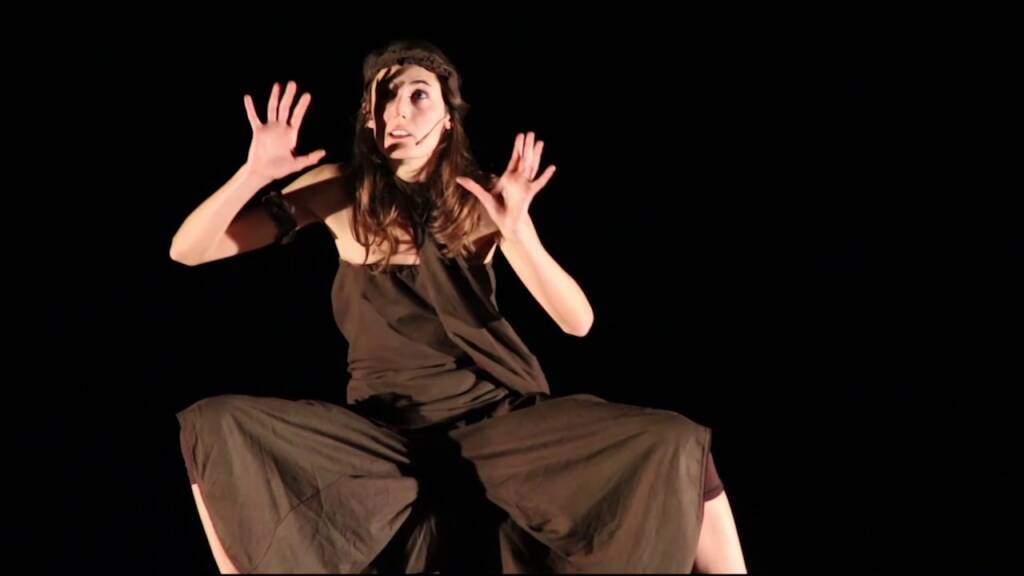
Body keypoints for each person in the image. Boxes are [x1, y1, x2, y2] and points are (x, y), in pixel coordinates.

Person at [171, 39, 747, 573]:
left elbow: (578, 322)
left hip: (499, 422)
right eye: (384, 97)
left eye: (417, 95)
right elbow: (188, 250)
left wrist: (519, 235)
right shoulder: (338, 191)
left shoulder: (481, 199)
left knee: (672, 440)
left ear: (448, 118)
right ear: (369, 118)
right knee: (217, 427)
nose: (397, 110)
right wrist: (252, 174)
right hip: (384, 431)